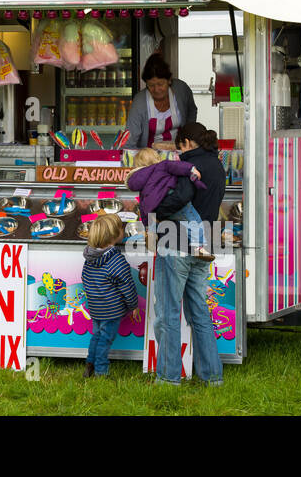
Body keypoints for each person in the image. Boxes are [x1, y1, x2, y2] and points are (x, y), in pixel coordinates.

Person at [151, 121, 226, 387]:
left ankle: (168, 378)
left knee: (170, 313)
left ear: (185, 143)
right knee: (200, 314)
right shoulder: (218, 166)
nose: (178, 153)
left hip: (176, 241)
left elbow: (180, 198)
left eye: (178, 147)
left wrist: (155, 209)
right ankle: (212, 377)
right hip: (207, 243)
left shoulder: (187, 166)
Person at [127, 147, 212, 261]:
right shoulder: (162, 166)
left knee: (153, 220)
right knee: (194, 220)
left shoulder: (141, 182)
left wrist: (147, 225)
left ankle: (152, 234)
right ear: (156, 158)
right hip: (172, 199)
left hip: (155, 210)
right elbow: (177, 167)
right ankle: (199, 246)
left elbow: (143, 205)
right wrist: (192, 169)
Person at [81, 213, 139, 379]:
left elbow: (84, 278)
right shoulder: (116, 261)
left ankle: (89, 364)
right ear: (115, 235)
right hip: (111, 311)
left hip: (96, 308)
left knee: (97, 336)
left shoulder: (90, 257)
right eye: (121, 228)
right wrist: (133, 306)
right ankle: (101, 371)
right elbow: (127, 287)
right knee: (105, 341)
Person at [123, 54, 197, 149]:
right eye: (151, 85)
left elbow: (192, 110)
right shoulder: (139, 102)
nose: (156, 89)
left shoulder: (181, 90)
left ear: (169, 80)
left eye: (160, 84)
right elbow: (129, 139)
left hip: (180, 152)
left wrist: (188, 138)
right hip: (150, 157)